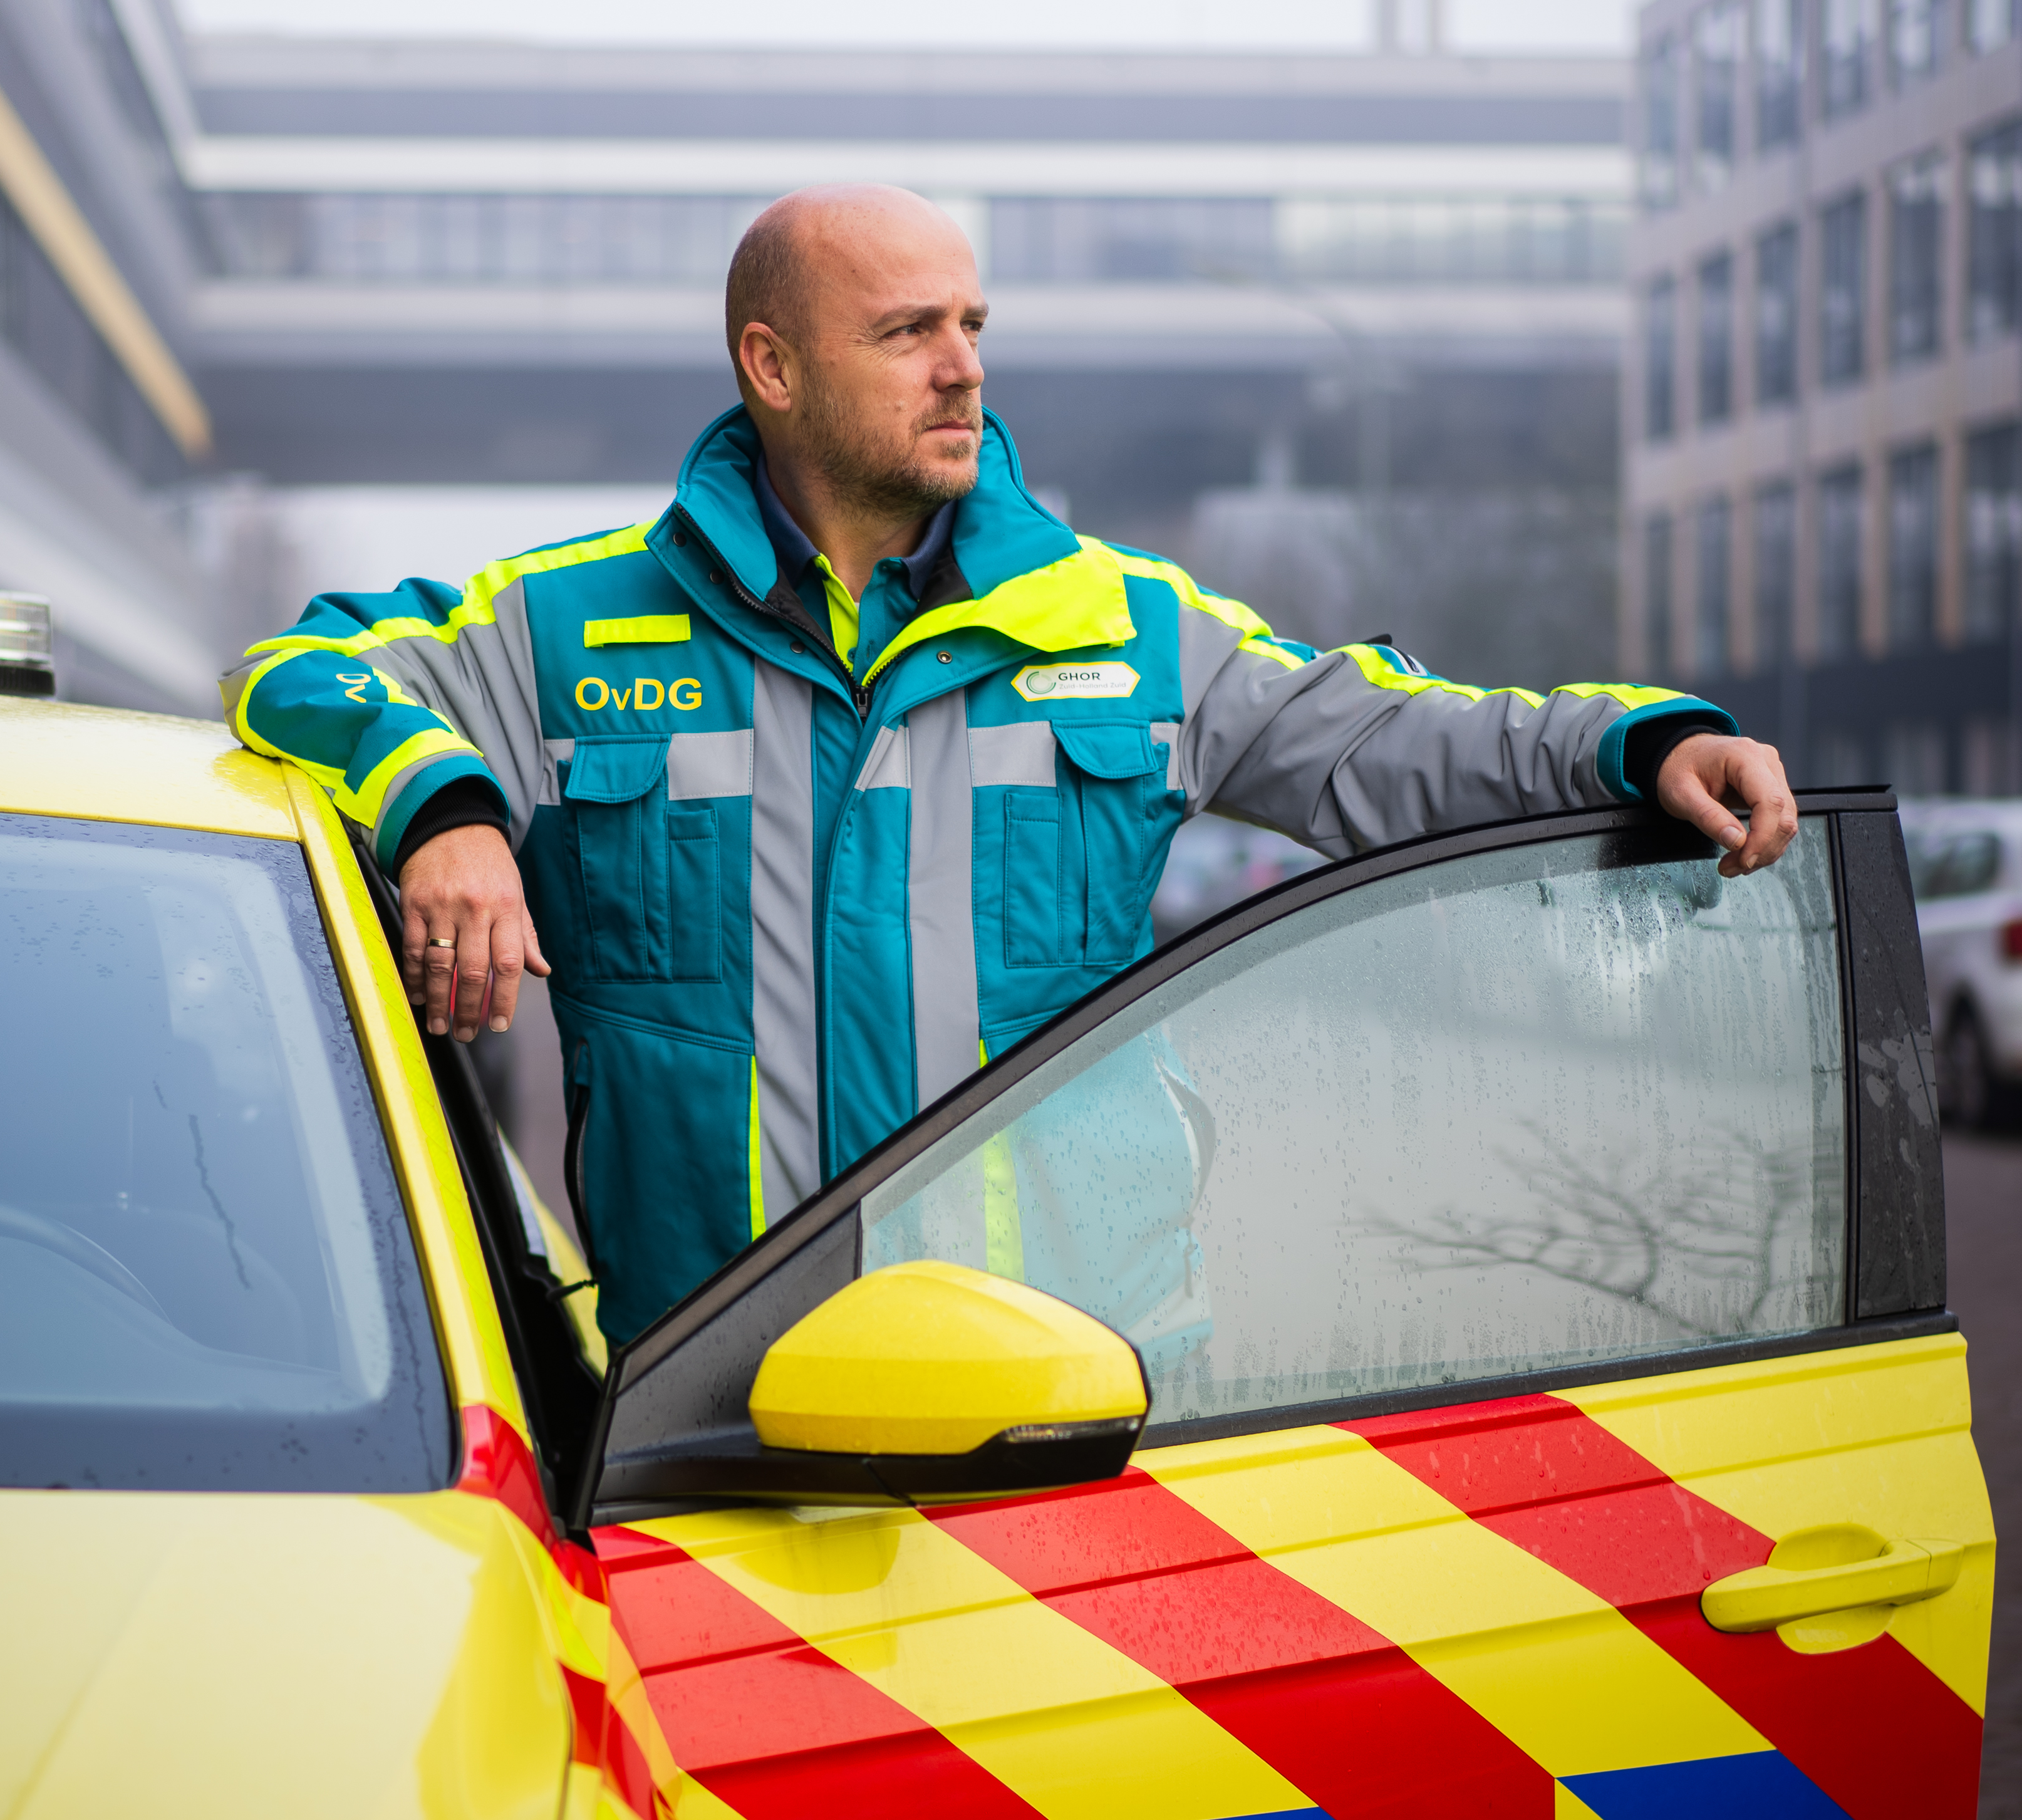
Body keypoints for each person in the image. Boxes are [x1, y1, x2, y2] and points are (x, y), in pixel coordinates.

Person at [222, 184, 1798, 1349]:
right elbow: (295, 671)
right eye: (906, 332)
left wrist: (1638, 740)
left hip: (1078, 1391)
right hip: (711, 1400)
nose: (962, 367)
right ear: (771, 367)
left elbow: (1382, 738)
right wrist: (447, 812)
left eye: (970, 325)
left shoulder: (1125, 625)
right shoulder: (565, 626)